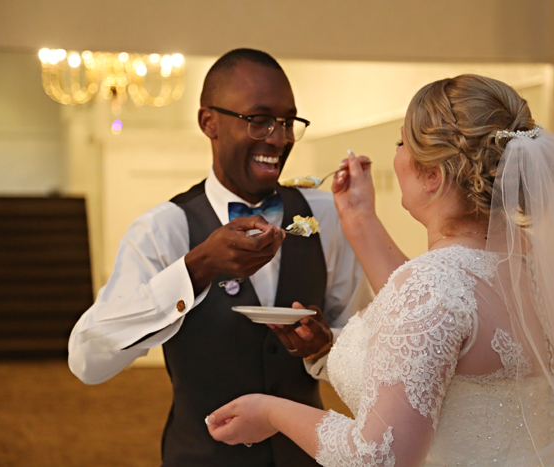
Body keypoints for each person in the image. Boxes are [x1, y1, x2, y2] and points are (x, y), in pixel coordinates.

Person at [204, 74, 554, 466]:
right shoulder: (532, 267)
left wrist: (271, 412)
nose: (395, 155)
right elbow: (438, 321)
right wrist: (358, 221)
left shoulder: (432, 287)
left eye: (401, 142)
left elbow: (378, 456)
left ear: (431, 176)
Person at [68, 48, 372, 467]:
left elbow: (363, 341)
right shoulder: (162, 229)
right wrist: (197, 269)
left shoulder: (324, 217)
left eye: (288, 122)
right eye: (259, 119)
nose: (279, 138)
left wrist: (325, 348)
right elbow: (88, 360)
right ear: (208, 122)